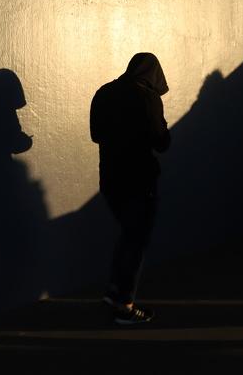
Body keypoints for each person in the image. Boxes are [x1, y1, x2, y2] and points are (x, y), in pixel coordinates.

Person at [90, 53, 170, 324]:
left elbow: (96, 135)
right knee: (136, 242)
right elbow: (162, 142)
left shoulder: (104, 92)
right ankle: (124, 305)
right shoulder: (147, 98)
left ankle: (115, 291)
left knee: (128, 235)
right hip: (139, 180)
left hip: (110, 180)